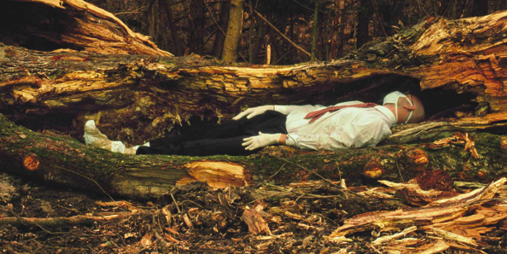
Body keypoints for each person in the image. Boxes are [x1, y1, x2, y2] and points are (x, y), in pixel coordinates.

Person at [83, 91, 425, 156]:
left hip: (282, 134)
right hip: (281, 118)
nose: (397, 93)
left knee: (203, 148)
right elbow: (319, 107)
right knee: (206, 129)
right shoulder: (365, 106)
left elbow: (333, 144)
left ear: (406, 106)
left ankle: (130, 153)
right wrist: (273, 105)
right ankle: (127, 144)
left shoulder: (376, 126)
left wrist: (278, 140)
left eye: (404, 94)